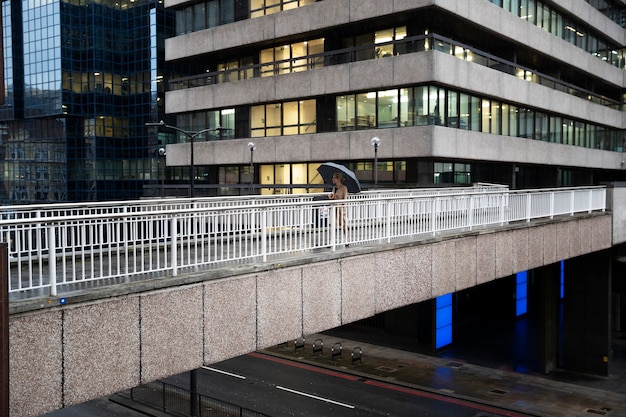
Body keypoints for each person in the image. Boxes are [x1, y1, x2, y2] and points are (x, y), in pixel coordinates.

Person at [329, 172, 349, 246]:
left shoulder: (344, 188)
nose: (333, 179)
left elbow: (345, 199)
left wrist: (344, 209)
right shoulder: (334, 188)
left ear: (338, 179)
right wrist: (332, 197)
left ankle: (347, 240)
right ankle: (331, 241)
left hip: (340, 208)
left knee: (344, 225)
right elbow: (334, 198)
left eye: (334, 178)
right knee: (331, 224)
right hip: (334, 208)